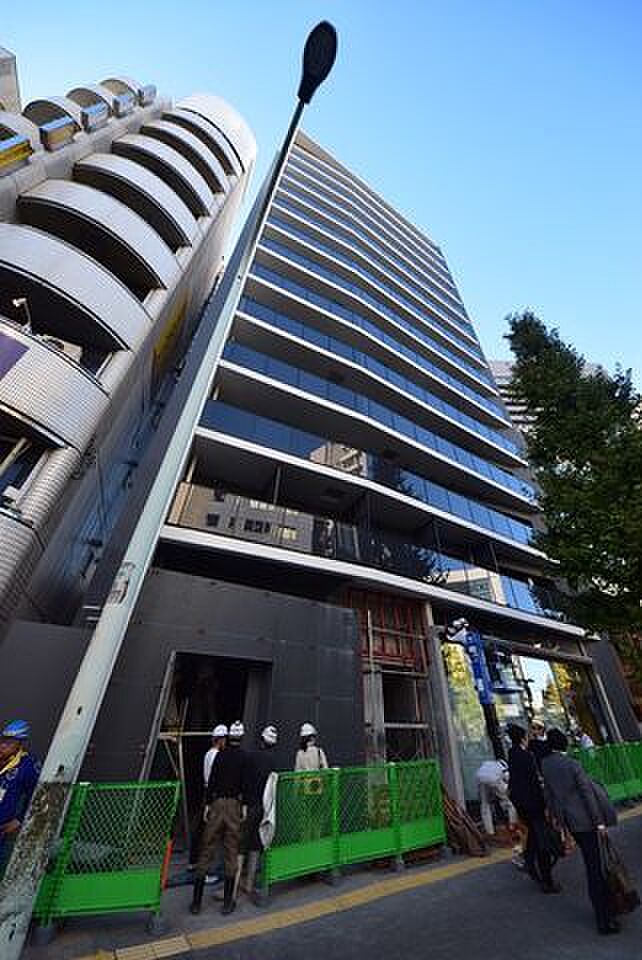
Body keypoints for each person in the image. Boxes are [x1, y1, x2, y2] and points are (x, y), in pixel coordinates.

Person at [542, 728, 619, 936]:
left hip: (570, 822)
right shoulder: (572, 764)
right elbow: (587, 794)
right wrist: (599, 822)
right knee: (596, 869)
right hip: (586, 821)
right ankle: (604, 918)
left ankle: (605, 913)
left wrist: (560, 822)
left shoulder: (546, 765)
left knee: (592, 864)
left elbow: (549, 795)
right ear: (564, 743)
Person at [191, 721, 246, 916]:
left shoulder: (220, 756)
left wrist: (208, 804)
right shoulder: (244, 757)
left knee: (207, 848)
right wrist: (244, 806)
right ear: (242, 737)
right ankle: (228, 903)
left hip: (216, 804)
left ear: (229, 737)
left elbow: (212, 780)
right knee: (231, 850)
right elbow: (244, 784)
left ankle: (196, 903)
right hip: (233, 806)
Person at [507, 724, 559, 894]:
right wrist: (544, 803)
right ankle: (546, 879)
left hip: (521, 804)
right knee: (542, 840)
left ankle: (529, 861)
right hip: (533, 804)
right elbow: (533, 782)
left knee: (535, 836)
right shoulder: (526, 756)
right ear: (523, 738)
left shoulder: (512, 754)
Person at [241, 724, 279, 903]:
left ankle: (234, 885)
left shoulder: (252, 757)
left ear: (261, 740)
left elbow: (246, 781)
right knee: (258, 843)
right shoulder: (273, 762)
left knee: (242, 843)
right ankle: (250, 882)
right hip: (265, 808)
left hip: (250, 805)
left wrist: (243, 802)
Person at [0, 720, 40, 879]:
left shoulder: (28, 766)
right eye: (3, 741)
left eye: (10, 743)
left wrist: (19, 819)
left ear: (20, 744)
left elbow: (35, 796)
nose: (3, 745)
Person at [189, 724, 228, 875]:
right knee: (212, 831)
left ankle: (193, 861)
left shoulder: (208, 754)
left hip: (207, 791)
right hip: (214, 794)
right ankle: (205, 869)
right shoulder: (217, 756)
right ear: (221, 740)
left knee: (201, 827)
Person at [475, 758, 516, 837]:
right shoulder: (504, 767)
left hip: (480, 780)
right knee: (509, 804)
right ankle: (512, 825)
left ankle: (490, 832)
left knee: (485, 805)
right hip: (494, 780)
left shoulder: (487, 763)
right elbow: (507, 779)